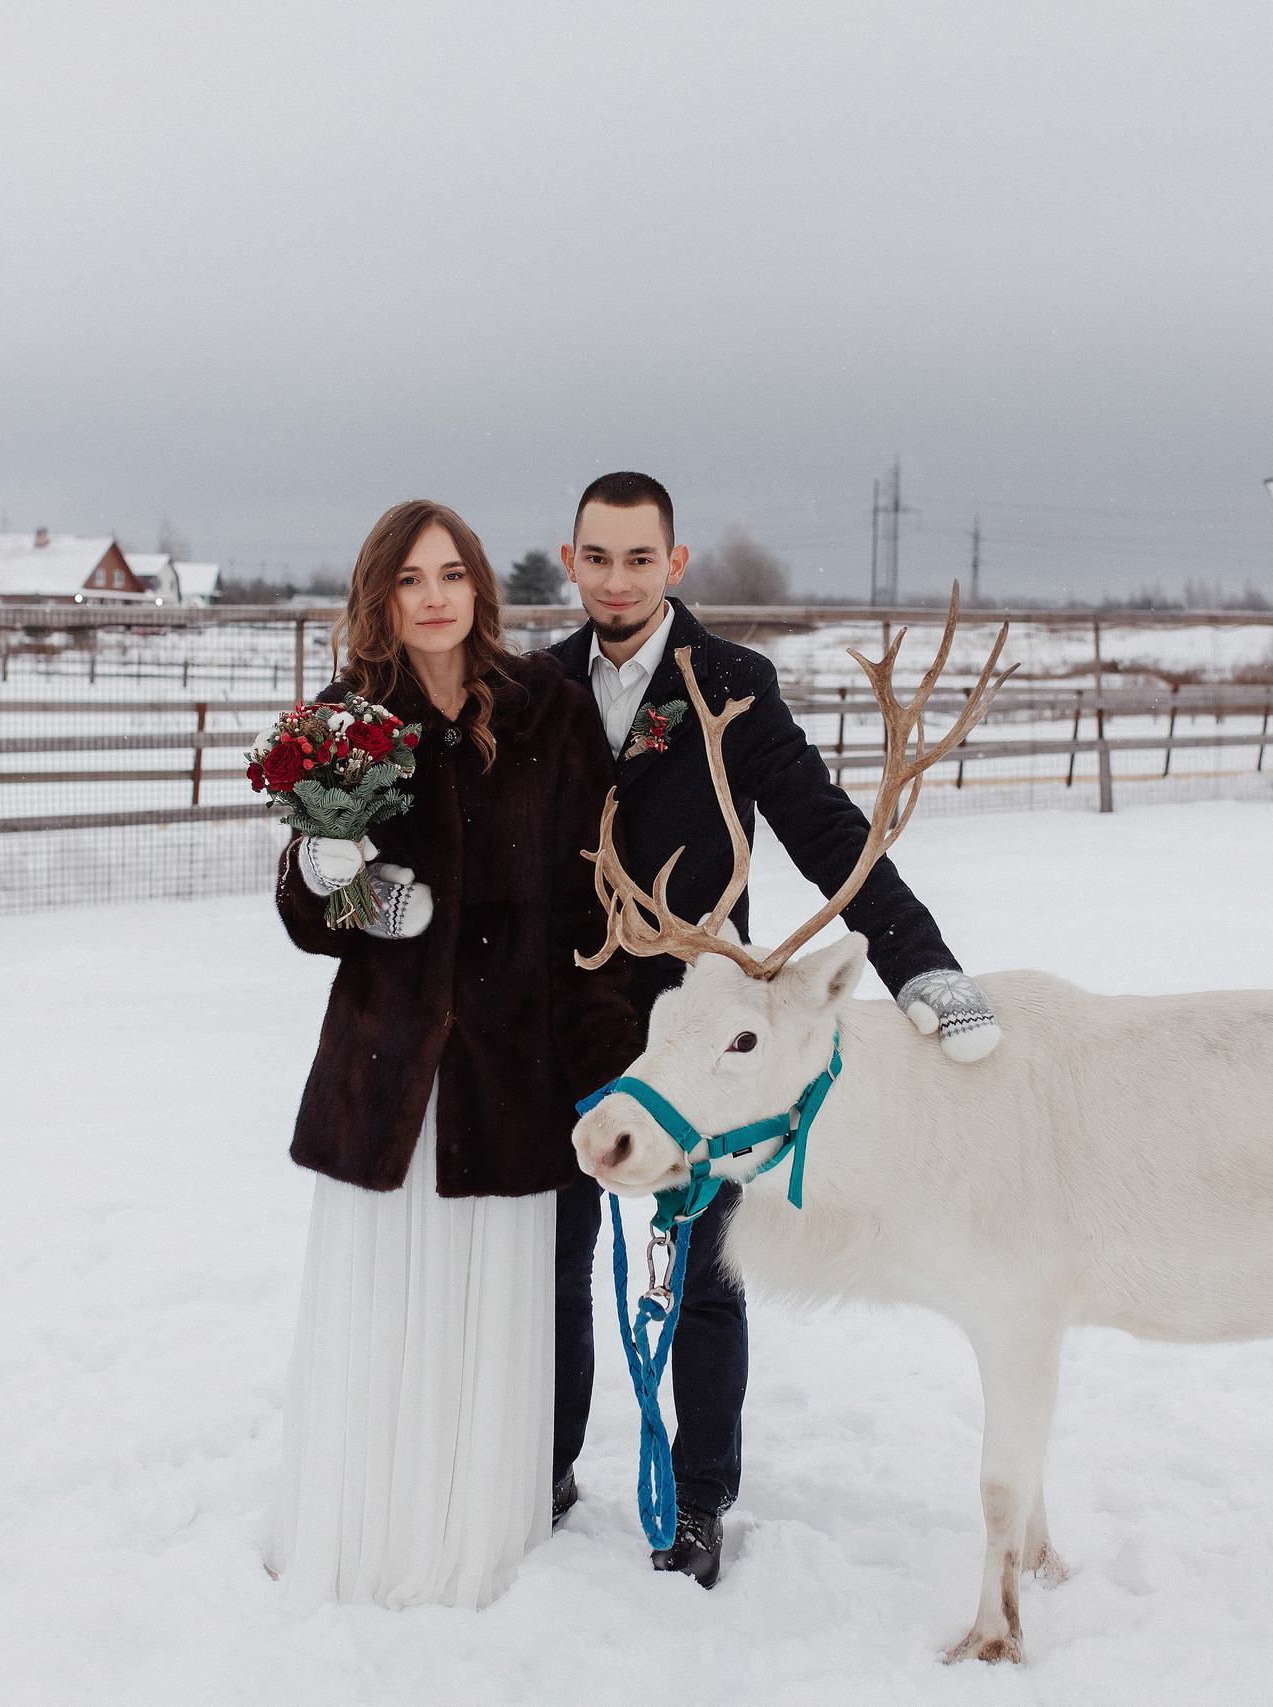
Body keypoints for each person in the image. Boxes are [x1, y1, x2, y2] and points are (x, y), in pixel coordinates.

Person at [544, 471, 1000, 1587]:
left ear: (675, 563)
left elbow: (822, 826)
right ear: (571, 562)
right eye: (596, 559)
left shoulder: (734, 686)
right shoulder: (536, 687)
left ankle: (700, 1501)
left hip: (703, 1036)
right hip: (561, 1016)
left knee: (705, 1270)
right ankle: (541, 1473)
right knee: (554, 1261)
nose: (617, 581)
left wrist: (920, 964)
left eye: (638, 559)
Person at [260, 499, 640, 1610]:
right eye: (411, 579)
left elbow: (590, 914)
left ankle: (475, 1528)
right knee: (383, 1307)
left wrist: (606, 1069)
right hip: (390, 1072)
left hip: (512, 1073)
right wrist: (339, 882)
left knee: (490, 1313)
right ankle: (369, 1524)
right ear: (380, 598)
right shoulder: (344, 720)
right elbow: (300, 913)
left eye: (452, 574)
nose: (435, 596)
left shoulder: (551, 715)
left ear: (479, 587)